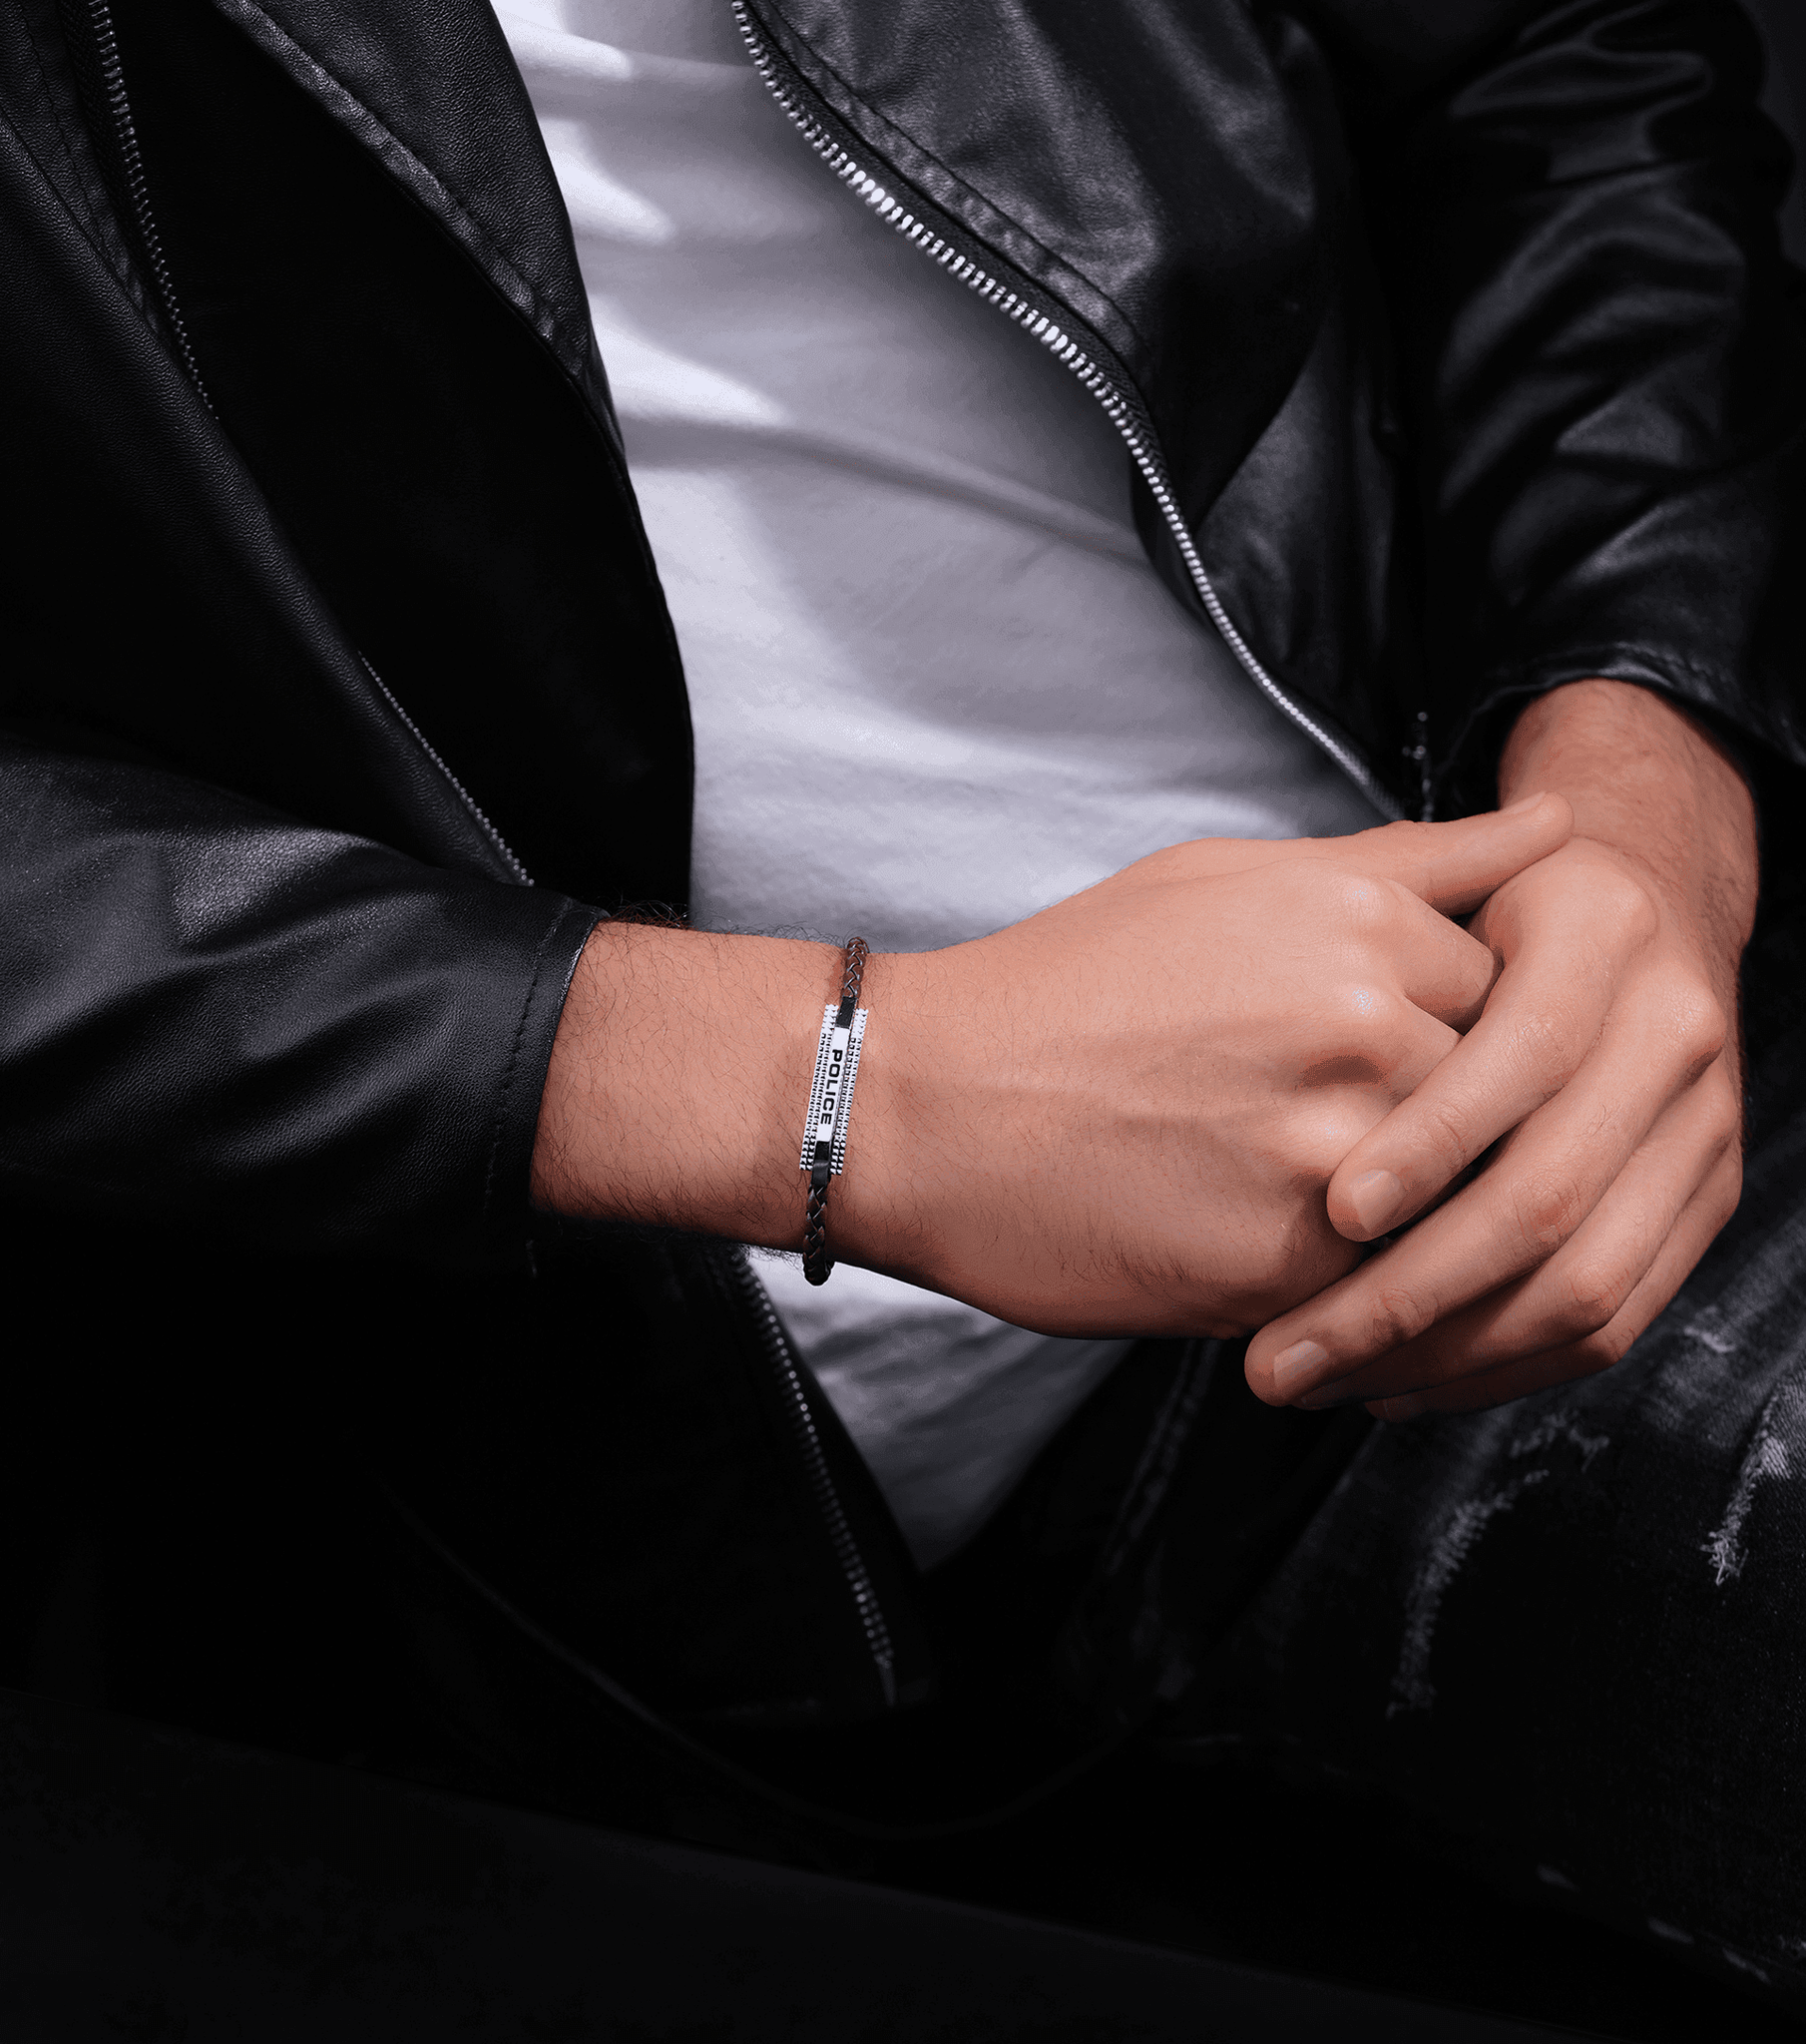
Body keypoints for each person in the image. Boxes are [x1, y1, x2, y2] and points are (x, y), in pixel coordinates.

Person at [2, 0, 1802, 2008]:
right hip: (617, 1465)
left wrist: (1640, 780)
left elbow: (1540, 65)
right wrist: (842, 1089)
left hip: (1577, 992)